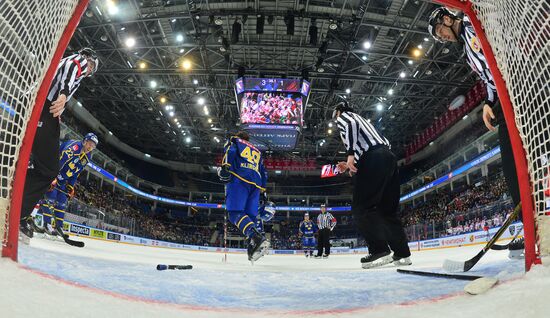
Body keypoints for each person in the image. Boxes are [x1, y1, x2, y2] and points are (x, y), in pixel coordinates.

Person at [427, 7, 520, 208]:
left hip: (518, 84)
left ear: (447, 19)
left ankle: (526, 213)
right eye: (439, 38)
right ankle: (526, 214)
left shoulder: (472, 21)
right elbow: (488, 79)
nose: (443, 38)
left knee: (514, 156)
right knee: (511, 157)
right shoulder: (466, 50)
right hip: (504, 98)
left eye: (440, 31)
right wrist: (487, 103)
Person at [19, 48, 99, 237]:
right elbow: (72, 70)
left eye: (91, 68)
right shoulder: (78, 61)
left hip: (40, 106)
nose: (88, 70)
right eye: (90, 65)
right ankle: (19, 211)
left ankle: (21, 208)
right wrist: (62, 95)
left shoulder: (69, 64)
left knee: (29, 159)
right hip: (42, 107)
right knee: (47, 169)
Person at [333, 100, 411, 269]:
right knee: (387, 211)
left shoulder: (346, 116)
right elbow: (381, 143)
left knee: (361, 207)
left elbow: (351, 124)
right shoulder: (365, 123)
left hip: (373, 158)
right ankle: (402, 253)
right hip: (388, 157)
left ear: (338, 111)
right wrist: (350, 164)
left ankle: (379, 250)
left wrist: (351, 155)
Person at [29, 133, 98, 236]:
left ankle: (58, 227)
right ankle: (46, 224)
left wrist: (71, 186)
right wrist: (53, 177)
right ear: (84, 141)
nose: (90, 147)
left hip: (62, 180)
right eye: (89, 144)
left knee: (62, 201)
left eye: (93, 146)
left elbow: (76, 173)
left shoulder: (86, 157)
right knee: (50, 197)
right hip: (53, 173)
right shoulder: (73, 148)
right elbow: (59, 162)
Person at [219, 131, 269, 262]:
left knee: (235, 213)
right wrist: (263, 191)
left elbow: (230, 151)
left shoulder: (235, 141)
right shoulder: (257, 151)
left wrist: (225, 168)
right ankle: (253, 246)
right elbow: (264, 171)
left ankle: (256, 237)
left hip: (240, 179)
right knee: (249, 217)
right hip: (256, 185)